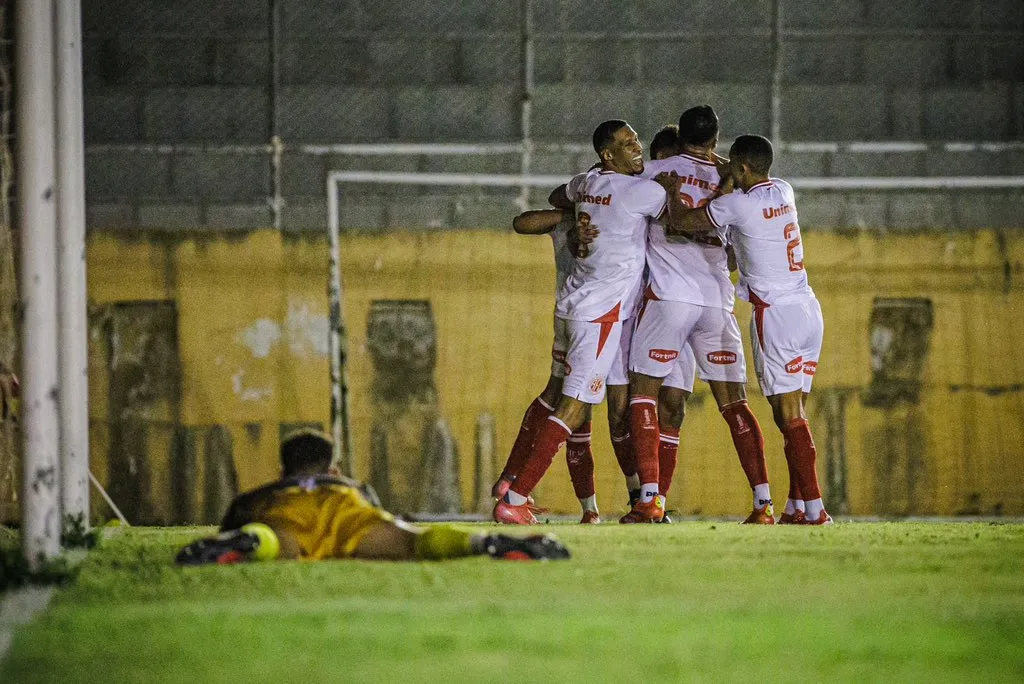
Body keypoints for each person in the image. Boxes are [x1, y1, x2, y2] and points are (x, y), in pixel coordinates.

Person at [491, 120, 674, 525]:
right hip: (601, 315)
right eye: (628, 144)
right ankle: (517, 499)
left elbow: (560, 194)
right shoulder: (643, 192)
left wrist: (580, 212)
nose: (638, 148)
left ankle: (516, 485)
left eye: (637, 140)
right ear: (609, 155)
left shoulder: (585, 182)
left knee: (564, 397)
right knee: (575, 409)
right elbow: (680, 212)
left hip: (572, 307)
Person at [655, 134, 831, 525]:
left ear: (743, 169)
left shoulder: (736, 204)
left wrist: (671, 191)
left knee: (789, 417)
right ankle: (796, 506)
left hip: (776, 315)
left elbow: (683, 221)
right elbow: (741, 181)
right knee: (794, 412)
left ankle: (816, 509)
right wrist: (727, 170)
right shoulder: (783, 190)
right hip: (807, 308)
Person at [621, 105, 775, 524]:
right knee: (735, 403)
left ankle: (650, 498)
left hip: (669, 298)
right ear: (715, 138)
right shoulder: (734, 176)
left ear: (679, 134)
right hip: (716, 302)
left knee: (643, 392)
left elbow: (661, 218)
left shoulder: (653, 171)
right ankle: (764, 503)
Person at [176, 429, 571, 564]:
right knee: (413, 542)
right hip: (347, 509)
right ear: (332, 469)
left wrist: (232, 529)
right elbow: (371, 500)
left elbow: (238, 508)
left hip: (287, 512)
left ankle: (245, 544)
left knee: (271, 539)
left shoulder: (273, 490)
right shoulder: (345, 484)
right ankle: (485, 543)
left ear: (284, 471)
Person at [490, 207, 605, 524]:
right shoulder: (586, 210)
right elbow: (521, 222)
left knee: (563, 397)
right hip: (594, 315)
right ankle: (515, 496)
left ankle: (587, 508)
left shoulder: (597, 209)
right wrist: (575, 206)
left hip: (572, 314)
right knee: (579, 404)